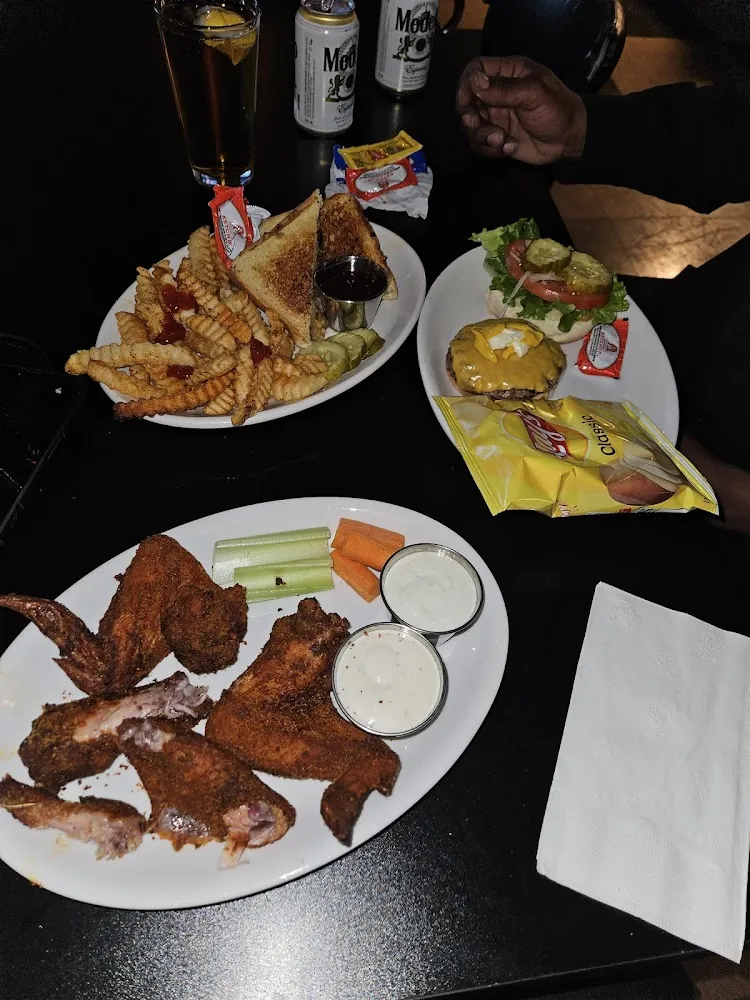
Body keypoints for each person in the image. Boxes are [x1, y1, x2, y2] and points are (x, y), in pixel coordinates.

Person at [456, 55, 750, 530]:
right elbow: (730, 133)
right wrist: (581, 128)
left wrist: (720, 490)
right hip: (683, 325)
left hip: (713, 488)